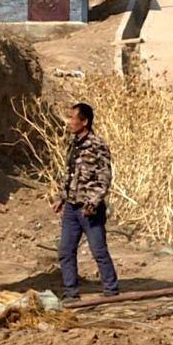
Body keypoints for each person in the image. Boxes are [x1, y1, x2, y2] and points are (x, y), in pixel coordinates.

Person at [55, 102, 119, 300]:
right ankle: (71, 293)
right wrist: (61, 197)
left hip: (90, 211)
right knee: (65, 251)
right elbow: (69, 175)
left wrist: (92, 203)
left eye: (73, 118)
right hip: (72, 208)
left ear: (85, 121)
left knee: (98, 250)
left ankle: (111, 290)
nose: (69, 122)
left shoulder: (97, 145)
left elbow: (104, 178)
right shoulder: (73, 144)